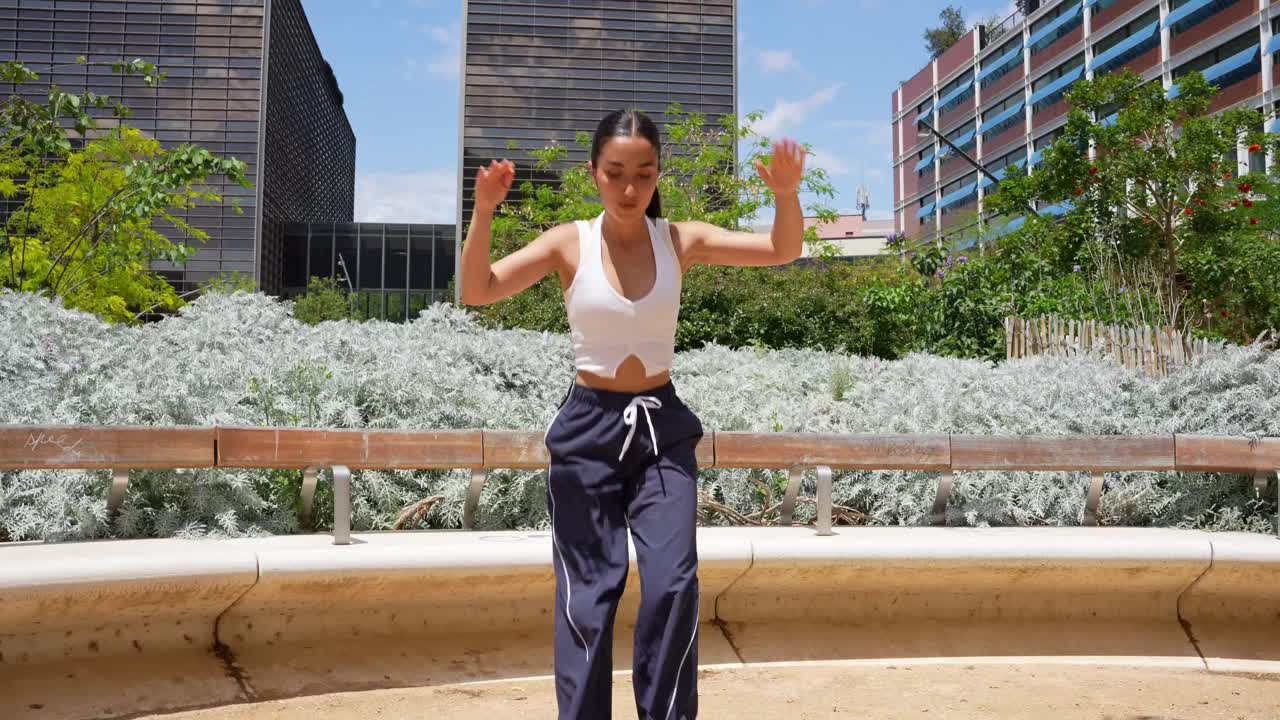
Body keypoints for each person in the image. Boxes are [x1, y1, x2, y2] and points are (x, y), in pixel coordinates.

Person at [459, 108, 805, 720]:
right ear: (594, 173)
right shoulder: (571, 242)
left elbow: (783, 248)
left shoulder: (680, 239)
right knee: (589, 598)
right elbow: (478, 289)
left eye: (643, 174)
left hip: (661, 431)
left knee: (673, 583)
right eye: (615, 172)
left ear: (657, 175)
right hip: (588, 431)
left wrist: (784, 196)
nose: (628, 189)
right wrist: (484, 211)